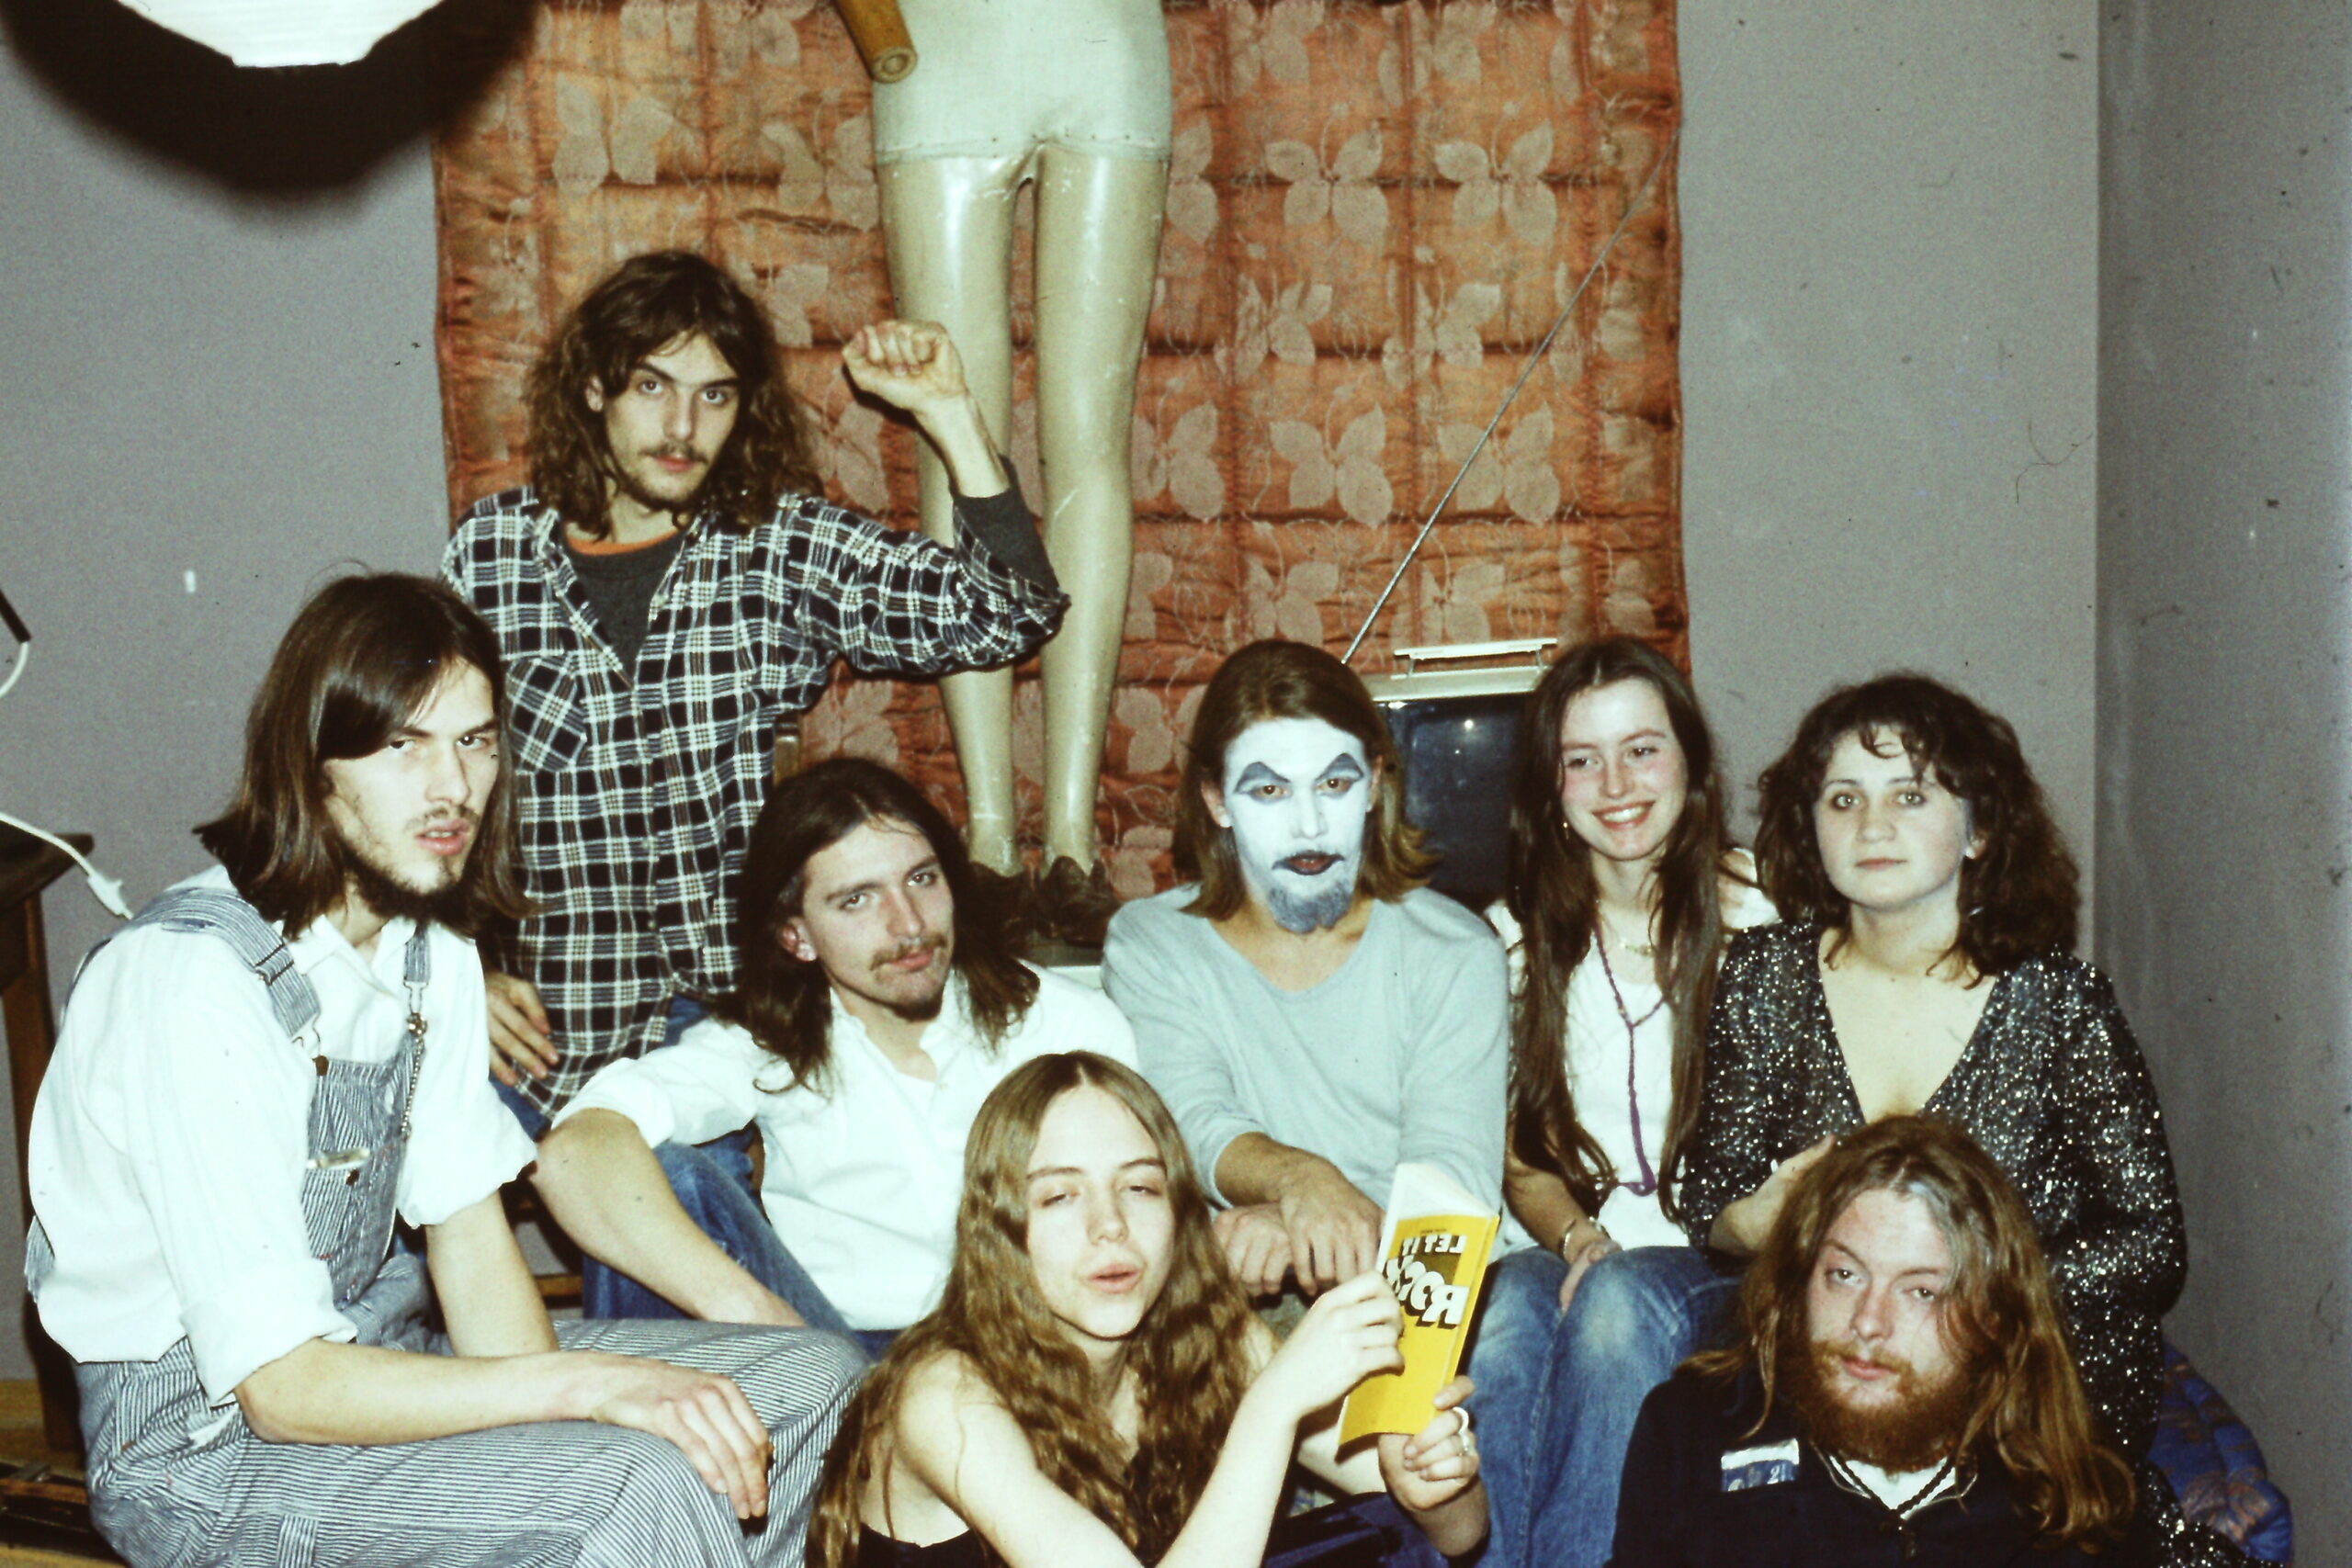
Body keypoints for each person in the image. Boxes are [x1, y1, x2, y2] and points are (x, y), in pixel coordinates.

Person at [25, 574, 862, 1568]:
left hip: (382, 1358)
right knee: (639, 1482)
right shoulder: (193, 983)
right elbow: (283, 1390)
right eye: (402, 745)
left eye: (474, 741)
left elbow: (469, 1250)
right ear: (311, 764)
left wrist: (571, 1428)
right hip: (205, 1457)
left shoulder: (432, 953)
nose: (452, 788)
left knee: (812, 1383)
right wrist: (597, 1400)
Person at [444, 250, 1066, 1127]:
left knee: (675, 1184)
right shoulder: (493, 552)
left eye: (715, 395)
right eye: (652, 387)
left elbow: (1010, 613)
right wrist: (453, 968)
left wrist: (950, 413)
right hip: (543, 1030)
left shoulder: (777, 548)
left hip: (727, 1032)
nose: (683, 427)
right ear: (592, 388)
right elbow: (427, 787)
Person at [1680, 672, 2184, 1450]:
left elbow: (2151, 1244)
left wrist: (1969, 1287)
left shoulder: (2059, 1000)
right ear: (1810, 827)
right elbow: (1712, 1196)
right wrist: (1750, 1222)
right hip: (1845, 1373)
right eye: (1843, 799)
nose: (1872, 825)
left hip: (2024, 1387)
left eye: (1910, 796)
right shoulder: (1763, 975)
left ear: (1979, 830)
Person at [532, 757, 1136, 1348]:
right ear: (796, 935)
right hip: (843, 1358)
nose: (909, 924)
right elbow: (574, 1149)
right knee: (662, 1176)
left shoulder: (1066, 1025)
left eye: (921, 879)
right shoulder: (767, 1044)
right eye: (857, 900)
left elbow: (1142, 1225)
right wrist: (748, 1309)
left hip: (1031, 1346)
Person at [807, 1051, 1488, 1568]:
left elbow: (1456, 1536)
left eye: (1139, 1187)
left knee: (1388, 1534)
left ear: (1179, 1211)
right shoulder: (944, 1397)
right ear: (1002, 1228)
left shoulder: (1208, 1337)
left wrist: (1431, 1475)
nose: (1110, 1225)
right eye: (1059, 1196)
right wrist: (1271, 1407)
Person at [1464, 638, 1775, 1568]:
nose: (1615, 785)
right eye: (1581, 760)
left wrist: (1610, 1267)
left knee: (1616, 1305)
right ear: (1550, 789)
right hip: (1573, 1246)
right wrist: (1576, 1238)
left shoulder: (1764, 913)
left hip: (1722, 1260)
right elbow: (1517, 1158)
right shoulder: (1510, 939)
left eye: (1642, 749)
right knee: (1504, 1315)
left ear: (1690, 760)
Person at [872, 0, 1171, 941]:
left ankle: (1072, 842)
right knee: (952, 438)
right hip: (941, 54)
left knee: (1091, 443)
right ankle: (991, 837)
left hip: (1105, 49)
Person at [1100, 639, 1509, 1302]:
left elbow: (1453, 1179)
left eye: (1335, 783)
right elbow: (1191, 1120)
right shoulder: (1152, 943)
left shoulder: (1455, 949)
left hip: (1427, 1281)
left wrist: (1305, 1218)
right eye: (1269, 789)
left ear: (1374, 786)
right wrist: (1301, 1182)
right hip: (1238, 1282)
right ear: (1216, 801)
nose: (1310, 825)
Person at [1611, 1114, 2162, 1566]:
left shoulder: (2065, 1509)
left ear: (1993, 1318)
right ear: (1799, 1280)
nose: (1868, 1322)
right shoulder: (1693, 1434)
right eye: (1844, 1275)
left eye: (1921, 1292)